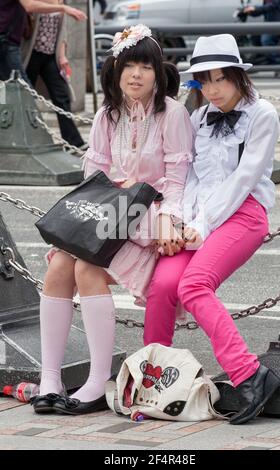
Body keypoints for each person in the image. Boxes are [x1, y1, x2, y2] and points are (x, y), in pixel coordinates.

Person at [30, 24, 193, 415]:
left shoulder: (172, 114)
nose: (136, 74)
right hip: (106, 217)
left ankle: (97, 380)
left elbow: (176, 181)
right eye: (128, 66)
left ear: (158, 72)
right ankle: (50, 377)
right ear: (115, 71)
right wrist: (114, 188)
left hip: (147, 222)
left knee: (86, 265)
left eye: (145, 67)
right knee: (58, 268)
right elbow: (93, 178)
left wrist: (168, 220)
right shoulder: (107, 115)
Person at [143, 34, 280, 425]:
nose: (213, 89)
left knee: (194, 285)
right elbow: (188, 179)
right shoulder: (197, 117)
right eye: (204, 81)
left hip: (244, 214)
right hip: (197, 219)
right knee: (164, 284)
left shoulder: (263, 114)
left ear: (239, 76)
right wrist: (180, 222)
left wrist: (200, 226)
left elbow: (243, 180)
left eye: (221, 79)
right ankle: (153, 378)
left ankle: (250, 375)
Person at [22, 0, 85, 148]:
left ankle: (73, 141)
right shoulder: (37, 2)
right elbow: (29, 9)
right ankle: (26, 139)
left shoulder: (60, 2)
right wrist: (63, 8)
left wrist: (62, 56)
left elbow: (62, 31)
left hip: (50, 56)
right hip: (30, 55)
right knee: (24, 96)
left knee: (61, 95)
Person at [0, 0, 86, 82]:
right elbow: (29, 5)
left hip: (11, 42)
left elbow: (62, 30)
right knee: (22, 90)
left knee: (17, 88)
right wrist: (63, 8)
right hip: (8, 42)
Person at [242, 0, 280, 65]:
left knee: (266, 40)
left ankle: (278, 63)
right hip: (271, 25)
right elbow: (264, 9)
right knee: (255, 36)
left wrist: (255, 8)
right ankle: (262, 58)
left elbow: (271, 6)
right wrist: (250, 12)